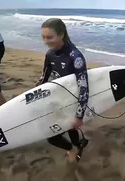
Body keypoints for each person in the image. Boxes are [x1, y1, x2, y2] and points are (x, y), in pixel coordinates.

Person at [36, 18, 89, 162]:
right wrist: (34, 95)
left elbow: (84, 87)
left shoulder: (75, 57)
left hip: (72, 100)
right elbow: (44, 78)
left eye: (50, 37)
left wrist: (79, 116)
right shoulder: (50, 54)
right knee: (62, 130)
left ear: (61, 35)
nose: (46, 41)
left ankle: (73, 148)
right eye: (43, 37)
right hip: (57, 98)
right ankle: (76, 145)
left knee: (57, 133)